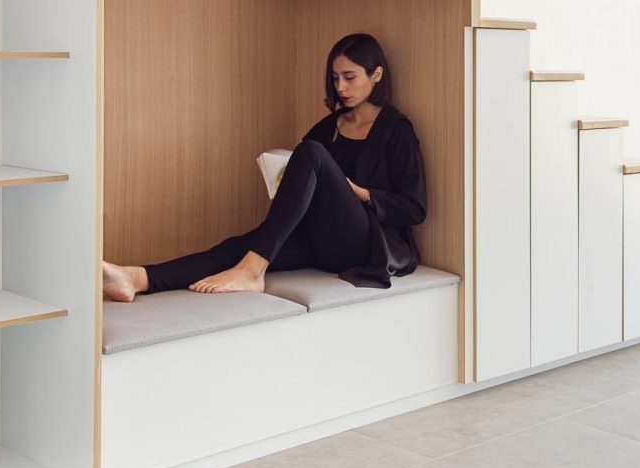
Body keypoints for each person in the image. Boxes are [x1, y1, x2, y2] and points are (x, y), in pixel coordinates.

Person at [102, 32, 427, 300]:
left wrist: (357, 192)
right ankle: (137, 278)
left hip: (364, 244)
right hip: (320, 239)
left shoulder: (396, 130)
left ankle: (252, 271)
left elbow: (414, 209)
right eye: (335, 78)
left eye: (350, 77)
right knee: (238, 247)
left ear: (376, 75)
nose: (340, 87)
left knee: (311, 153)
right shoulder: (330, 126)